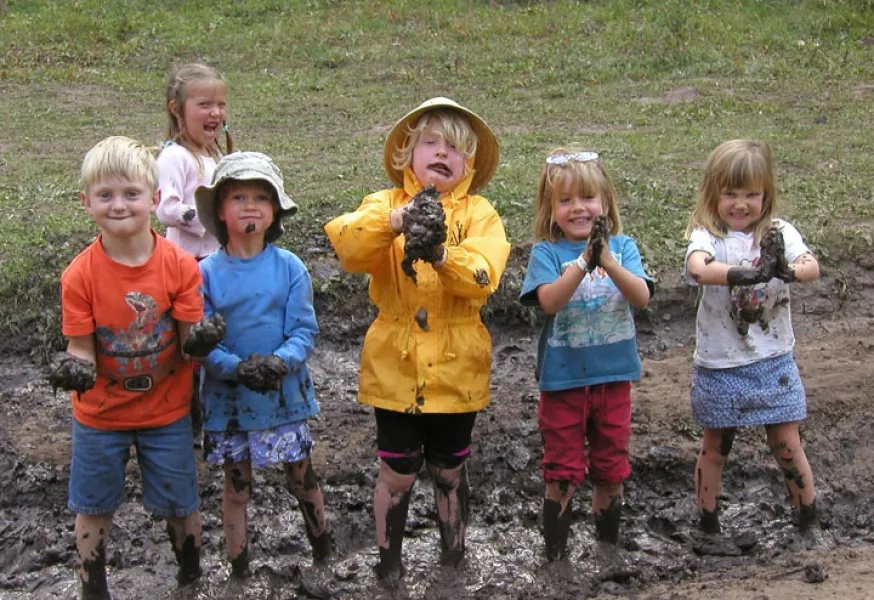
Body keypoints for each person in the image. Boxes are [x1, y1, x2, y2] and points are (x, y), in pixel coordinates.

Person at [324, 97, 510, 580]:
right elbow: (346, 244)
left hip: (457, 364)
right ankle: (389, 565)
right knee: (398, 471)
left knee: (450, 469)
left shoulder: (481, 214)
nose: (442, 153)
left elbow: (484, 275)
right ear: (407, 154)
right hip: (396, 364)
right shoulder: (384, 204)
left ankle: (454, 558)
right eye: (431, 143)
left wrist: (442, 255)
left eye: (455, 147)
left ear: (469, 164)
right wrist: (395, 223)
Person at [49, 136, 221, 599]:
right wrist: (71, 369)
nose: (118, 205)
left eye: (130, 194)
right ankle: (93, 586)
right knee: (92, 503)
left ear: (154, 198)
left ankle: (190, 577)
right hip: (100, 412)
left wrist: (203, 339)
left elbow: (189, 344)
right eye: (105, 195)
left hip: (166, 409)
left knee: (180, 501)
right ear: (87, 203)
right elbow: (81, 350)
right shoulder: (79, 275)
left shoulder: (181, 267)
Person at [194, 151, 330, 578]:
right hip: (230, 400)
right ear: (220, 209)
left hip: (284, 394)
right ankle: (239, 568)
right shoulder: (204, 274)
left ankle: (323, 550)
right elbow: (199, 341)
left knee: (301, 476)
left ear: (275, 211)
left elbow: (304, 332)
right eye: (238, 197)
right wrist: (235, 368)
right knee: (237, 486)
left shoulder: (290, 267)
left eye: (260, 197)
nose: (250, 206)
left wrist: (278, 363)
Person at [683, 139, 823, 539]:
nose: (740, 204)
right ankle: (707, 526)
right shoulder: (708, 235)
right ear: (714, 194)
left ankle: (808, 521)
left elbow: (811, 266)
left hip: (773, 360)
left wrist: (786, 270)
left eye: (751, 195)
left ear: (766, 195)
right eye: (730, 194)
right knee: (715, 447)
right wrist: (742, 274)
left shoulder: (778, 233)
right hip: (721, 362)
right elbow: (698, 269)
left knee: (786, 443)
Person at [519, 149, 653, 562]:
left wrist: (607, 260)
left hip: (614, 381)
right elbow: (549, 303)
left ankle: (606, 551)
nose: (578, 208)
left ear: (606, 204)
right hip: (562, 384)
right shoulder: (547, 253)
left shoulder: (624, 248)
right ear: (550, 209)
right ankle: (555, 558)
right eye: (565, 200)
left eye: (588, 198)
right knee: (562, 473)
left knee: (611, 471)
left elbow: (642, 297)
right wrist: (581, 263)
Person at [155, 62, 233, 438]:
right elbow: (166, 207)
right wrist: (208, 219)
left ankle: (210, 412)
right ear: (176, 108)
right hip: (185, 266)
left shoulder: (214, 157)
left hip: (216, 264)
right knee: (189, 341)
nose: (215, 113)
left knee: (216, 335)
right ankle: (184, 420)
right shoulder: (175, 157)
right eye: (204, 104)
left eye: (220, 104)